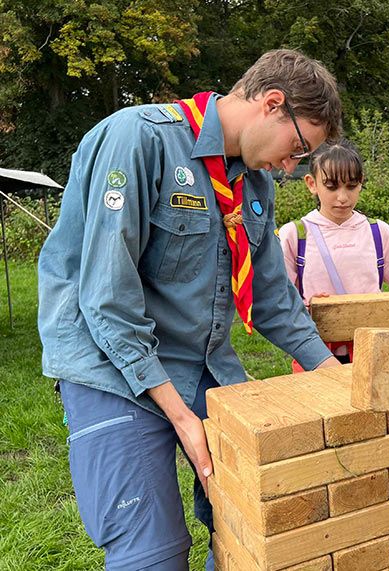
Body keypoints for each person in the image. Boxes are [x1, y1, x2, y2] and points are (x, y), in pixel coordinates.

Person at [37, 49, 343, 570]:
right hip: (110, 366)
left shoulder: (253, 183)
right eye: (298, 148)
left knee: (254, 519)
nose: (292, 168)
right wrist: (182, 417)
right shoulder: (139, 138)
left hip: (200, 363)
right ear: (273, 104)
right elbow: (106, 297)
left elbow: (272, 297)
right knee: (153, 553)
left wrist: (335, 376)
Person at [278, 139, 389, 370]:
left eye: (351, 186)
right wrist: (306, 304)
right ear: (312, 184)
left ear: (361, 183)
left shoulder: (378, 232)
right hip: (317, 351)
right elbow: (280, 296)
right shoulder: (295, 235)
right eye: (331, 186)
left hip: (371, 349)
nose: (342, 197)